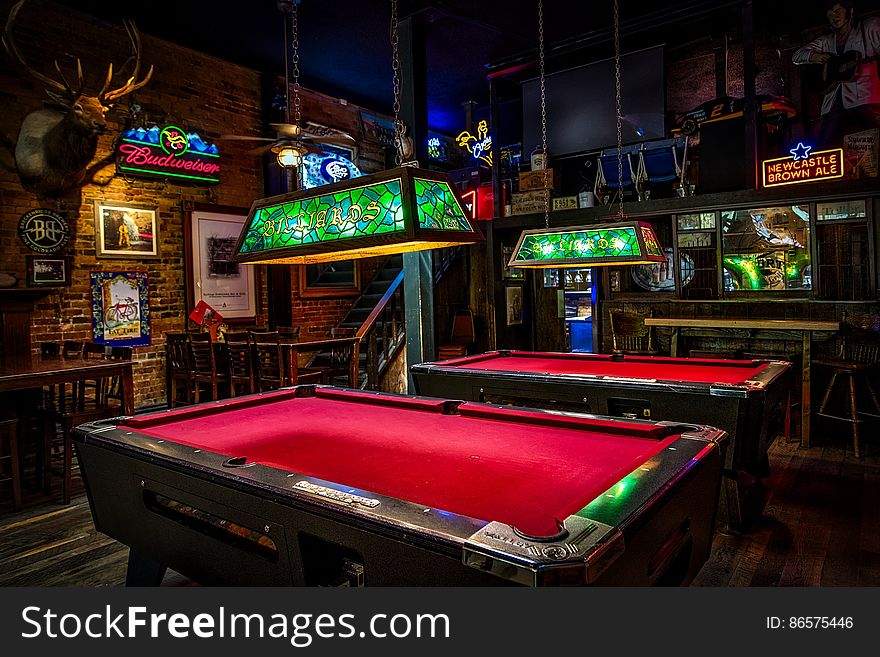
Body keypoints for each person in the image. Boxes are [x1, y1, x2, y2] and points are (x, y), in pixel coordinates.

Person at [792, 1, 880, 149]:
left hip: (864, 96)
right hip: (833, 100)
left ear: (850, 11)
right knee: (823, 145)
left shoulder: (869, 27)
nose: (835, 16)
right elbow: (796, 56)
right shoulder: (826, 41)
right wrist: (814, 56)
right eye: (830, 13)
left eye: (838, 10)